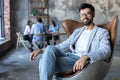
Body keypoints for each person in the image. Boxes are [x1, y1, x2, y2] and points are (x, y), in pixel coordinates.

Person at [30, 3, 111, 80]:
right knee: (49, 48)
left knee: (43, 61)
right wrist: (41, 50)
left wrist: (86, 57)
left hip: (79, 61)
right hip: (70, 56)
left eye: (88, 13)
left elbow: (106, 51)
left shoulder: (102, 32)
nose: (85, 16)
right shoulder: (78, 31)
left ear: (93, 14)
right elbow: (64, 45)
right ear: (80, 16)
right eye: (82, 14)